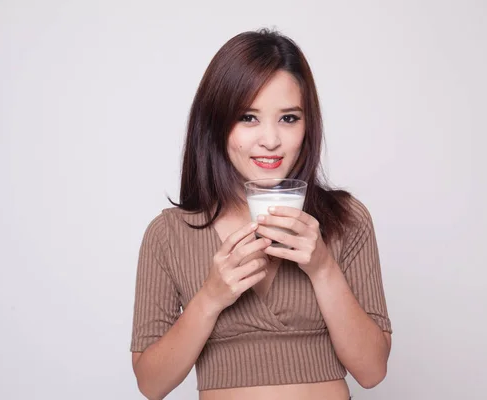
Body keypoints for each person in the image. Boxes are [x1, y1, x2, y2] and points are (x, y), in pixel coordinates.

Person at [130, 29, 392, 400]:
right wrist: (209, 298)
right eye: (248, 117)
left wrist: (322, 267)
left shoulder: (347, 219)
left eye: (288, 118)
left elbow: (372, 370)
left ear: (308, 125)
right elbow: (150, 384)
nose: (270, 140)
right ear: (216, 124)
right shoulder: (168, 234)